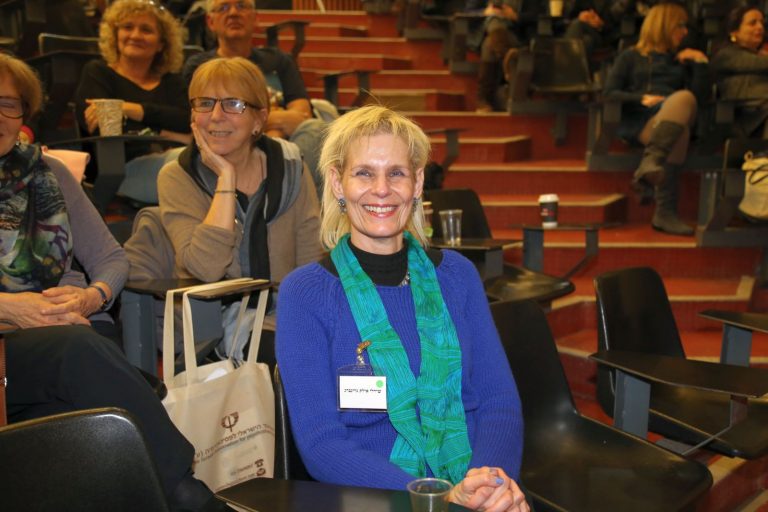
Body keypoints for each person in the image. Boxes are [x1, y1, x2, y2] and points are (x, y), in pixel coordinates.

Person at [0, 53, 230, 512]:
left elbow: (110, 259)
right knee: (84, 361)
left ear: (24, 113)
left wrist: (92, 296)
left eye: (8, 104)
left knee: (86, 418)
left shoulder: (48, 172)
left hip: (78, 327)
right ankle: (190, 496)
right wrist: (11, 308)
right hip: (17, 349)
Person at [275, 105, 527, 512]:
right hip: (370, 496)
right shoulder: (305, 294)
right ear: (338, 183)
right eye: (364, 173)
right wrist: (438, 497)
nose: (381, 190)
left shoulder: (458, 276)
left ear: (418, 182)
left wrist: (489, 485)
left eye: (396, 173)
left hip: (475, 485)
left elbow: (498, 400)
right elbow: (322, 443)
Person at [157, 57, 322, 354]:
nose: (216, 116)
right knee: (286, 356)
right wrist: (226, 178)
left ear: (259, 119)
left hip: (289, 313)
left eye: (233, 104)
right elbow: (207, 269)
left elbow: (311, 262)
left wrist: (308, 324)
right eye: (205, 103)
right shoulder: (178, 176)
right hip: (214, 326)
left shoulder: (291, 168)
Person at [182, 0, 327, 194]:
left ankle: (281, 194)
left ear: (256, 18)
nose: (233, 13)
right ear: (210, 21)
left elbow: (301, 116)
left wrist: (268, 136)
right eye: (223, 7)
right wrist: (271, 121)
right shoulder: (199, 66)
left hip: (286, 146)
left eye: (242, 6)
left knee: (315, 129)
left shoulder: (279, 60)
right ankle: (277, 194)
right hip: (225, 146)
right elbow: (202, 119)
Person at [603, 2, 709, 236]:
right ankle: (664, 212)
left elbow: (699, 99)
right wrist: (641, 98)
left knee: (683, 99)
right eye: (680, 26)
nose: (684, 32)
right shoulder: (631, 56)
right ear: (664, 25)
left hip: (674, 115)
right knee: (680, 132)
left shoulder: (682, 60)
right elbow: (608, 93)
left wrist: (700, 62)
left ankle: (651, 162)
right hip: (642, 120)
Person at [74, 0, 191, 204]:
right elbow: (102, 127)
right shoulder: (98, 73)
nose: (135, 35)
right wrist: (170, 132)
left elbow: (188, 120)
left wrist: (130, 109)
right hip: (121, 170)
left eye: (146, 30)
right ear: (116, 34)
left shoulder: (173, 82)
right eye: (127, 27)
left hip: (175, 160)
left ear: (161, 44)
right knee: (192, 162)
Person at [711, 6, 768, 138]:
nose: (760, 27)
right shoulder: (726, 54)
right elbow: (757, 63)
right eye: (752, 23)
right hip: (744, 114)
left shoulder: (761, 55)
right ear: (734, 31)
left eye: (762, 23)